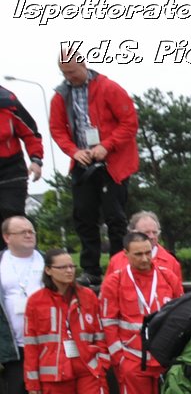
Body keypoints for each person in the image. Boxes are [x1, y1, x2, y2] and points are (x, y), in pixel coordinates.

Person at [24, 248, 126, 394]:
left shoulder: (88, 296)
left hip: (89, 369)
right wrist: (33, 384)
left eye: (72, 266)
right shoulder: (35, 302)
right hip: (53, 374)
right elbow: (30, 344)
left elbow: (101, 333)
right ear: (49, 271)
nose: (70, 271)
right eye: (63, 267)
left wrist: (102, 362)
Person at [100, 231, 186, 394]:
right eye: (138, 254)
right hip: (132, 359)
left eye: (148, 252)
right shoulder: (114, 282)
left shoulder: (168, 276)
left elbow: (182, 315)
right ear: (125, 254)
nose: (145, 258)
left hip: (166, 358)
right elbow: (108, 323)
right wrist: (120, 360)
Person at [48, 52, 138, 285]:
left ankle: (119, 267)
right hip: (83, 162)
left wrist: (107, 145)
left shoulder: (108, 87)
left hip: (112, 163)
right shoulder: (60, 95)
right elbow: (57, 130)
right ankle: (91, 270)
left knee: (115, 217)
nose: (69, 77)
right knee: (84, 216)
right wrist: (74, 151)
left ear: (83, 64)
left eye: (72, 71)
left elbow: (129, 122)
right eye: (64, 73)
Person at [2, 215, 46, 394]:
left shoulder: (47, 262)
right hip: (15, 347)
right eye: (22, 232)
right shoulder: (2, 264)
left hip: (46, 346)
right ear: (7, 237)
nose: (30, 235)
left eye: (31, 230)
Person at [0, 85, 45, 225]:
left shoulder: (8, 101)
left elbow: (31, 133)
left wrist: (36, 160)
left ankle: (22, 246)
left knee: (13, 219)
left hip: (11, 171)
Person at [105, 211, 183, 284]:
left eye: (155, 232)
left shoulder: (171, 262)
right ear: (133, 233)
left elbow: (179, 295)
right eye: (146, 233)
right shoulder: (116, 261)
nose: (152, 236)